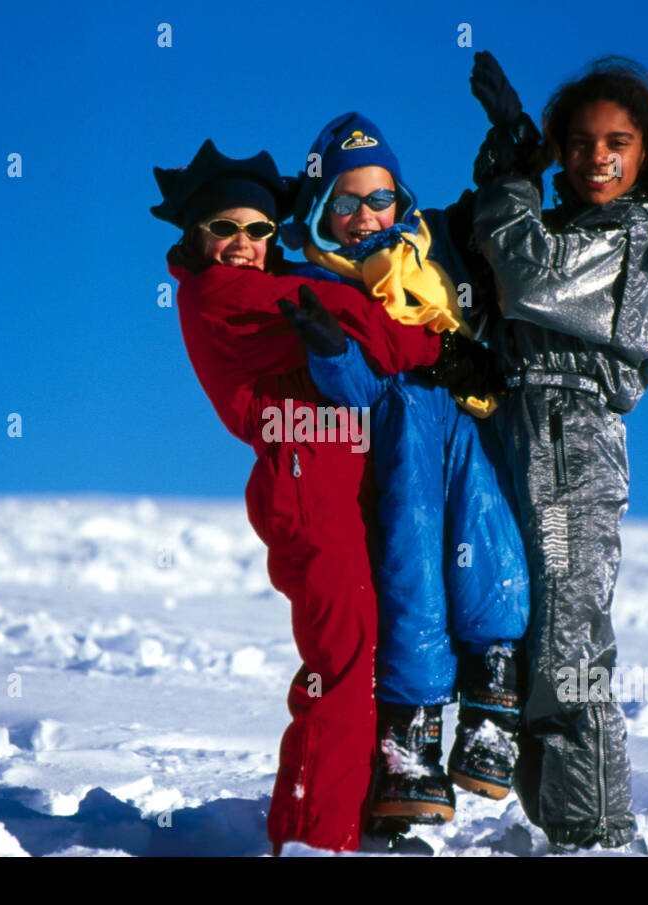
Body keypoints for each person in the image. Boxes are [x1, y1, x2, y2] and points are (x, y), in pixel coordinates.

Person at [151, 139, 447, 854]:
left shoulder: (275, 287)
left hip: (344, 476)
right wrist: (437, 343)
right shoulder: (221, 294)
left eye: (257, 230)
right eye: (226, 228)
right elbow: (367, 328)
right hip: (306, 486)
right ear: (197, 235)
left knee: (373, 647)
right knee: (341, 662)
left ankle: (365, 811)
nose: (245, 244)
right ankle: (314, 835)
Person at [467, 51, 648, 850]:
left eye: (618, 140)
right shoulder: (570, 226)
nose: (596, 157)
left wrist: (511, 178)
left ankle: (597, 833)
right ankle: (560, 823)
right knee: (517, 629)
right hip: (518, 430)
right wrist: (502, 166)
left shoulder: (632, 236)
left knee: (568, 648)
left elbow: (524, 273)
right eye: (576, 142)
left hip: (572, 447)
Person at [277, 113, 531, 828]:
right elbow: (356, 389)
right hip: (403, 444)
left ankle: (493, 704)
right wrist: (328, 349)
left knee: (492, 549)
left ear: (402, 200)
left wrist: (513, 156)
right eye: (346, 203)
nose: (365, 217)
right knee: (413, 574)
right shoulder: (324, 284)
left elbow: (498, 233)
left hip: (469, 424)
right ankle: (409, 741)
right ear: (321, 211)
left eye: (379, 198)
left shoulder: (431, 254)